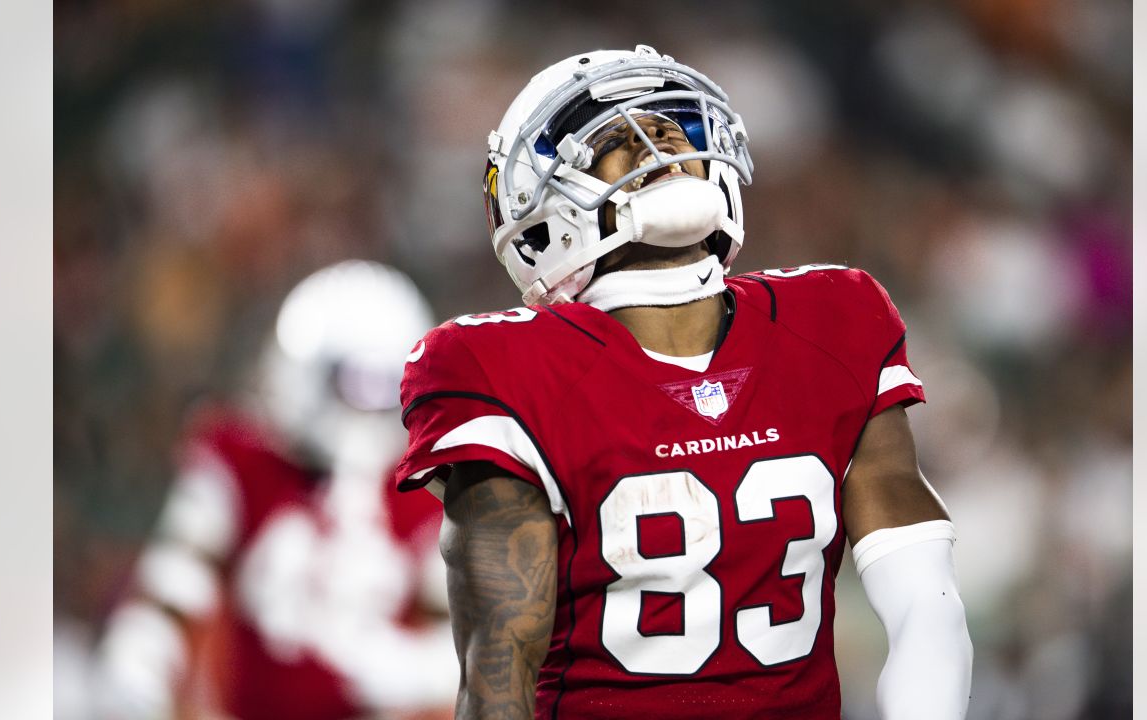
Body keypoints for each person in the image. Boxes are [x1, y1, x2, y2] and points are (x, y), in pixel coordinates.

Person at [395, 46, 972, 719]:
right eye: (610, 135)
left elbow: (927, 606)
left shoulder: (836, 319)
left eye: (674, 123)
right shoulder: (499, 367)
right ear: (540, 212)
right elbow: (497, 675)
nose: (659, 137)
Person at [95, 260, 457, 720]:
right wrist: (137, 675)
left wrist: (408, 670)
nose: (376, 404)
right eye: (361, 384)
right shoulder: (241, 463)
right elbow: (170, 592)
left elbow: (471, 650)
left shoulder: (425, 490)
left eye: (390, 386)